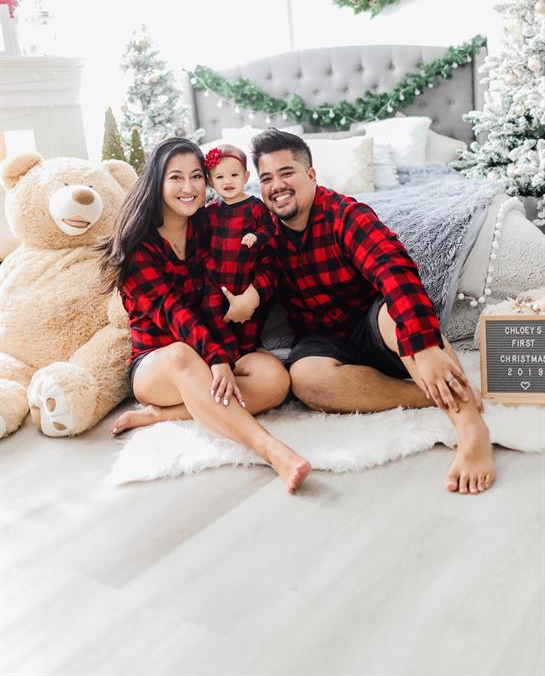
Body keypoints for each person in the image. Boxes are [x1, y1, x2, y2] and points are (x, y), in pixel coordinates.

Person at [250, 128, 495, 496]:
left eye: (287, 173)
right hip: (322, 340)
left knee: (400, 318)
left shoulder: (346, 215)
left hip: (373, 324)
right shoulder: (262, 233)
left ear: (311, 175)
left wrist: (426, 348)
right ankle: (427, 395)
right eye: (267, 178)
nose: (277, 186)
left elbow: (395, 272)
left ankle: (471, 428)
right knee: (304, 378)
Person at [98, 137, 310, 494]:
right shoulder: (139, 246)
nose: (189, 187)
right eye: (176, 177)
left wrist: (253, 296)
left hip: (217, 347)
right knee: (181, 355)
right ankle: (271, 450)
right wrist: (215, 359)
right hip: (159, 362)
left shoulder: (209, 223)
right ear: (157, 182)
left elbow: (264, 261)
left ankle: (164, 415)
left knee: (275, 378)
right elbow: (173, 312)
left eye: (196, 176)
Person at [203, 142, 276, 355]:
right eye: (220, 177)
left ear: (246, 177)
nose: (227, 182)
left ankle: (247, 350)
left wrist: (257, 236)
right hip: (216, 279)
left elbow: (269, 230)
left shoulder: (255, 206)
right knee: (210, 309)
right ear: (210, 182)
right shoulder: (210, 211)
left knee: (249, 321)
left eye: (234, 175)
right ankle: (228, 348)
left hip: (245, 277)